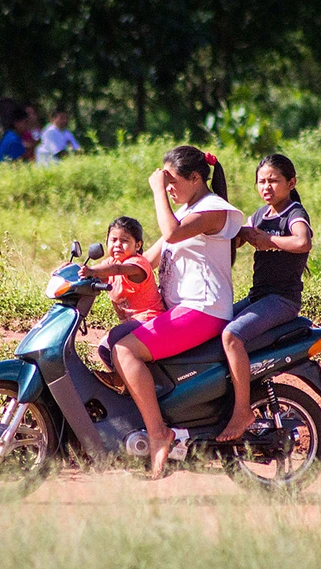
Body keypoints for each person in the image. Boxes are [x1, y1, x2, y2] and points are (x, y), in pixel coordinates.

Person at [112, 145, 244, 479]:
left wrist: (157, 191)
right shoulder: (188, 213)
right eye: (165, 182)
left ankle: (159, 434)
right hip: (184, 310)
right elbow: (145, 260)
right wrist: (96, 274)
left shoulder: (212, 210)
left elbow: (169, 234)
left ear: (196, 178)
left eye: (172, 181)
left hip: (203, 310)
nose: (168, 187)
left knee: (126, 352)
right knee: (114, 340)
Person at [217, 154, 312, 442]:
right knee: (213, 324)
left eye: (273, 180)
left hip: (281, 300)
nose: (266, 187)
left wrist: (267, 240)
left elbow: (302, 241)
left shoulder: (294, 213)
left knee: (232, 336)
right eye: (261, 181)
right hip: (258, 296)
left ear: (291, 183)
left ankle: (242, 411)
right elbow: (239, 236)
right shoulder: (260, 215)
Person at [78, 216, 165, 393]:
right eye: (113, 240)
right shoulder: (111, 263)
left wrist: (92, 271)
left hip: (151, 320)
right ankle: (127, 384)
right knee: (103, 348)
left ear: (138, 245)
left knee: (115, 336)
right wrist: (73, 270)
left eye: (125, 241)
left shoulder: (137, 264)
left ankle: (120, 379)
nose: (118, 245)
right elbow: (100, 272)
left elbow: (117, 271)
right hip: (133, 325)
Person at [0, 98, 29, 162]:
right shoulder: (14, 141)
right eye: (25, 122)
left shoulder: (8, 136)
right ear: (16, 123)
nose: (27, 126)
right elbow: (20, 165)